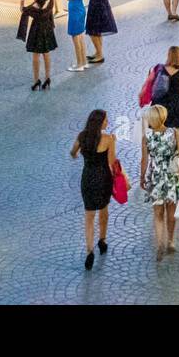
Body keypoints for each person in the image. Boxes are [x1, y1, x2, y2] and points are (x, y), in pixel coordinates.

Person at [140, 103, 179, 262]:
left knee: (157, 213)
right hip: (171, 176)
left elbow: (144, 160)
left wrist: (142, 177)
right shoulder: (174, 133)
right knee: (171, 211)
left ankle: (159, 243)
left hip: (156, 176)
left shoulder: (147, 137)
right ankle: (171, 240)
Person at [70, 109, 115, 271]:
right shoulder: (108, 139)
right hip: (103, 179)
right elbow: (111, 162)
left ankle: (89, 250)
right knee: (104, 210)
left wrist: (77, 156)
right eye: (105, 120)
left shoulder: (82, 136)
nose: (107, 122)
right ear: (99, 122)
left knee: (89, 216)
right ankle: (102, 240)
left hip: (87, 178)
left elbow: (73, 152)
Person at [20, 0, 57, 91]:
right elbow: (43, 10)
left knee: (36, 56)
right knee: (46, 54)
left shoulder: (38, 3)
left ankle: (36, 81)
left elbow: (24, 10)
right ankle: (47, 78)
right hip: (47, 30)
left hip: (37, 29)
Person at [60, 0, 91, 72]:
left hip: (75, 10)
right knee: (80, 37)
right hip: (80, 8)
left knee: (75, 37)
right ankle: (84, 62)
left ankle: (79, 64)